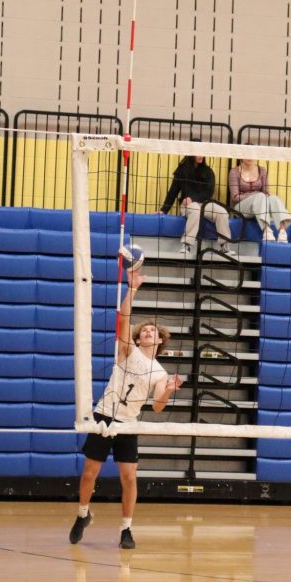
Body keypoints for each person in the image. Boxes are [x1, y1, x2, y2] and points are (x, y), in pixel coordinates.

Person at [69, 264, 184, 549]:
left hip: (128, 423)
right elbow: (125, 319)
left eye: (152, 330)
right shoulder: (127, 351)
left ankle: (126, 529)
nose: (147, 331)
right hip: (104, 416)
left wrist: (168, 391)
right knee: (89, 473)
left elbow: (157, 407)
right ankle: (83, 514)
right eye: (143, 329)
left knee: (129, 477)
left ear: (160, 340)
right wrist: (132, 289)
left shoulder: (159, 373)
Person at [159, 142, 234, 257]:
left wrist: (193, 198)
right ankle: (187, 244)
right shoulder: (181, 171)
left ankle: (224, 245)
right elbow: (172, 192)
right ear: (191, 153)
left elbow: (208, 192)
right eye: (198, 152)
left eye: (202, 152)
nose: (201, 155)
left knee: (222, 212)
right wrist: (164, 210)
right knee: (195, 209)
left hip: (205, 203)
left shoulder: (208, 172)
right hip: (187, 205)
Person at [228, 151, 291, 242]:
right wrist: (255, 195)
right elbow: (235, 197)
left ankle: (282, 231)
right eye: (246, 153)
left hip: (260, 205)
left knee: (274, 198)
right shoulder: (234, 172)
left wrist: (261, 196)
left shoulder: (262, 170)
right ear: (240, 156)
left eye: (252, 154)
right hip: (241, 207)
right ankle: (266, 231)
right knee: (260, 196)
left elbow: (266, 192)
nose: (249, 156)